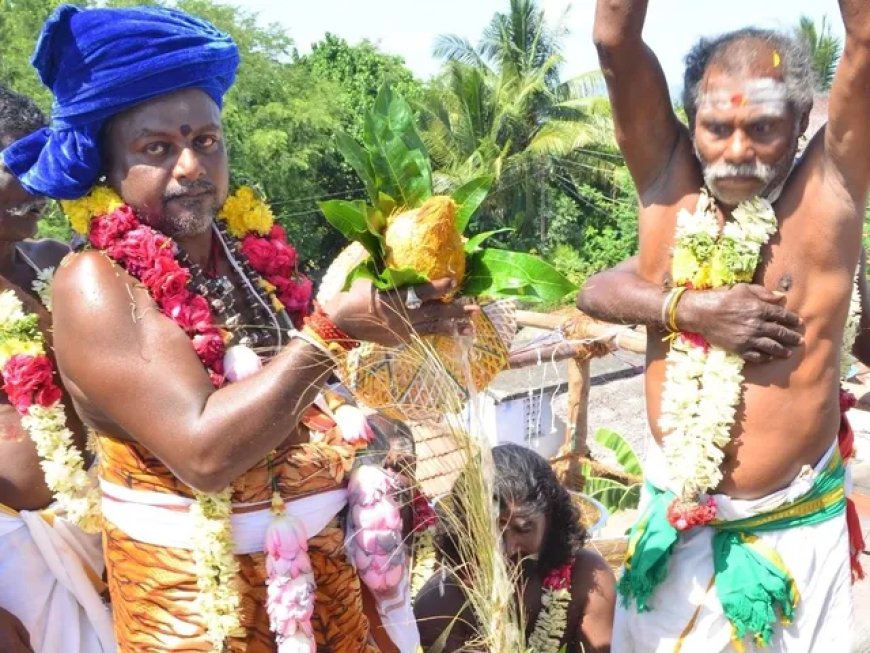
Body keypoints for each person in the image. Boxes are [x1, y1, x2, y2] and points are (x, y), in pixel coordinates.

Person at [2, 5, 473, 652]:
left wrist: (371, 430)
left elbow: (304, 397)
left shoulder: (248, 252)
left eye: (206, 140)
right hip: (198, 613)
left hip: (327, 589)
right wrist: (331, 332)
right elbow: (203, 451)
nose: (192, 166)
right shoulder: (94, 280)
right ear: (108, 168)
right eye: (157, 149)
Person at [577, 1, 870, 650]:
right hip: (672, 531)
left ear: (799, 123)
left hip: (792, 545)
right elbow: (613, 37)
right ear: (689, 120)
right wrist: (689, 308)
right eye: (717, 127)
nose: (736, 151)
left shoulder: (830, 193)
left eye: (761, 127)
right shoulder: (667, 182)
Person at [0, 85, 114, 652]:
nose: (30, 184)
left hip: (96, 525)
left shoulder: (52, 260)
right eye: (10, 163)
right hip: (12, 560)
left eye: (37, 161)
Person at [413, 443, 615, 653]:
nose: (506, 549)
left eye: (523, 529)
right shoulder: (438, 602)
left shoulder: (588, 580)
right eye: (491, 531)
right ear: (465, 527)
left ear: (551, 522)